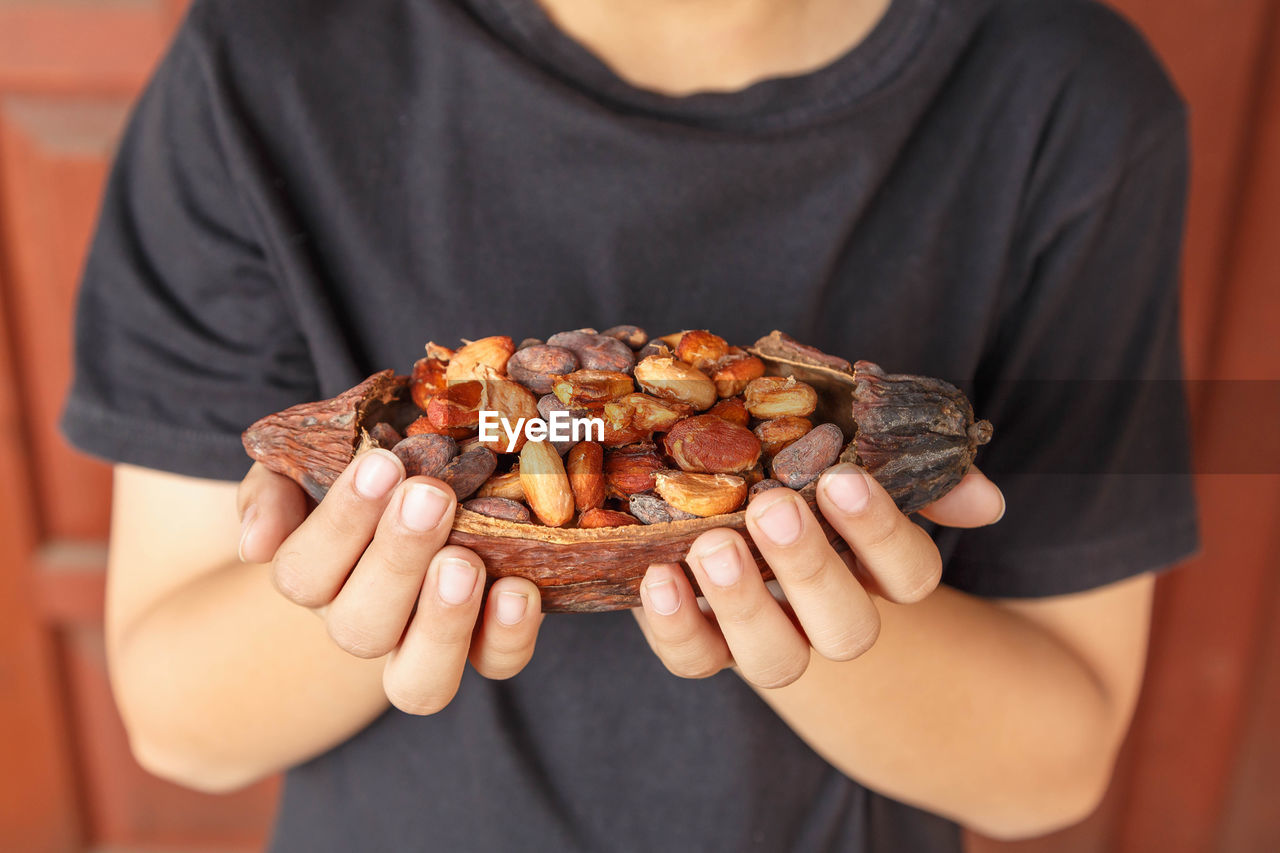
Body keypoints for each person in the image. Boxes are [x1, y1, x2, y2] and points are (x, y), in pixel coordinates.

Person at [61, 0, 1200, 850]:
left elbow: (1048, 764)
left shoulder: (1067, 99)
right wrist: (415, 549)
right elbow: (179, 722)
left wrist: (791, 585)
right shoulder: (261, 62)